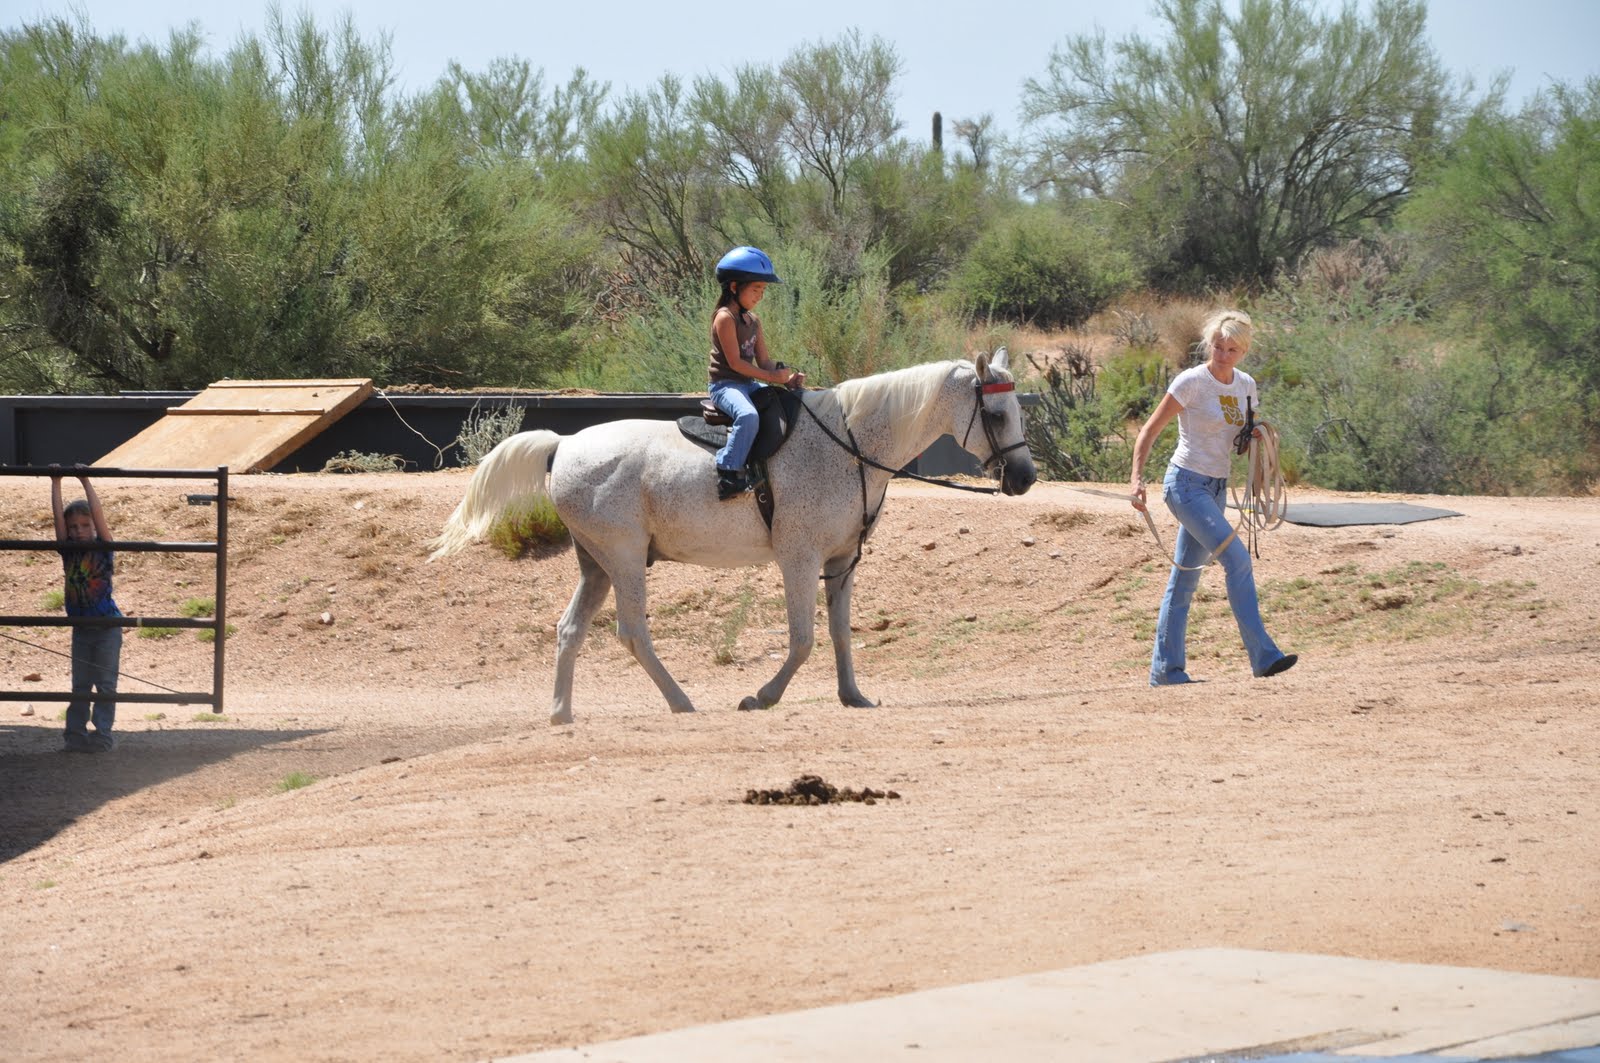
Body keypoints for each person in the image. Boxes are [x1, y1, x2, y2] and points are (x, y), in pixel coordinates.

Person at [1129, 309, 1297, 686]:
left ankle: (1165, 672)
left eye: (1231, 349)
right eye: (1217, 347)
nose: (1222, 355)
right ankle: (1265, 656)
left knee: (1183, 583)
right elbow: (1149, 430)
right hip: (1185, 485)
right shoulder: (1191, 382)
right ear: (1209, 345)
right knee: (1237, 560)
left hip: (1217, 488)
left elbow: (1237, 445)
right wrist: (1137, 479)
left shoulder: (1246, 386)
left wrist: (1254, 441)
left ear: (1244, 351)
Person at [708, 246, 804, 500]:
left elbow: (764, 361)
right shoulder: (724, 318)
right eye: (755, 289)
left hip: (748, 383)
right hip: (725, 385)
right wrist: (772, 379)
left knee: (787, 402)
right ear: (733, 287)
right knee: (748, 415)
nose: (760, 295)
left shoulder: (754, 320)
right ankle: (728, 471)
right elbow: (736, 363)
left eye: (763, 290)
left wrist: (787, 378)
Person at [51, 470, 123, 751]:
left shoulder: (104, 547)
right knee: (80, 686)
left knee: (105, 685)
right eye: (74, 527)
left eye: (84, 525)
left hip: (107, 627)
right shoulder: (68, 551)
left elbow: (99, 513)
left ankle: (102, 736)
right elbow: (57, 518)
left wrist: (84, 480)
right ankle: (75, 737)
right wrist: (56, 483)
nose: (78, 530)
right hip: (81, 628)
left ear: (93, 526)